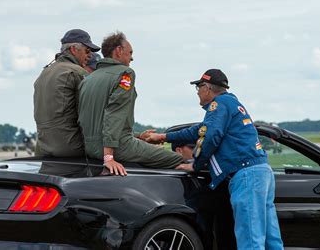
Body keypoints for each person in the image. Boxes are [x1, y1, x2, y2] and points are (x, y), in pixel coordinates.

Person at [145, 69, 284, 250]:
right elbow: (199, 130)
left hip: (246, 176)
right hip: (262, 172)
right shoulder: (231, 103)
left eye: (198, 87)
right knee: (271, 240)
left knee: (250, 240)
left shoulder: (218, 105)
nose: (197, 92)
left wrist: (196, 165)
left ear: (207, 88)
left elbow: (210, 136)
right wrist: (163, 137)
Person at [78, 31, 183, 175]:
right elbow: (114, 114)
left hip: (89, 149)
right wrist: (109, 157)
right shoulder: (125, 74)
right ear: (119, 51)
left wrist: (139, 136)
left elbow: (96, 120)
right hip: (116, 147)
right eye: (130, 52)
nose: (132, 58)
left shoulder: (88, 79)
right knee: (178, 159)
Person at [33, 29, 100, 157]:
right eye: (87, 50)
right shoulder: (78, 73)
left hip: (43, 149)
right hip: (71, 150)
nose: (90, 55)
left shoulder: (44, 73)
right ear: (74, 49)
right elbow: (91, 118)